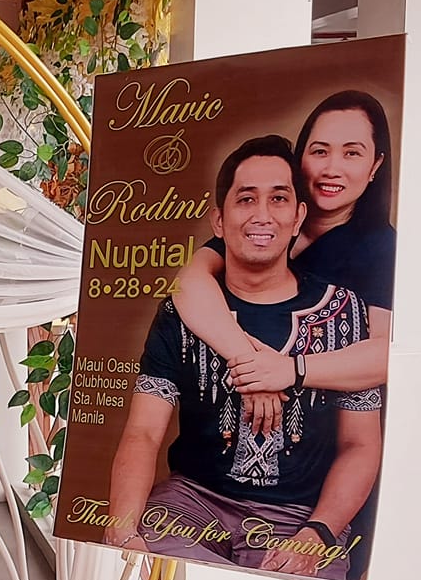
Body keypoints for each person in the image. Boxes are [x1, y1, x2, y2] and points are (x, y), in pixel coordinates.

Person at [106, 136, 383, 580]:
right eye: (246, 199)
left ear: (299, 217)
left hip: (299, 517)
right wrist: (122, 530)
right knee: (148, 574)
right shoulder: (183, 311)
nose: (262, 215)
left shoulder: (344, 312)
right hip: (192, 506)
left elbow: (361, 444)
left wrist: (318, 533)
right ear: (219, 220)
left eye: (279, 199)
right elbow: (143, 432)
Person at [170, 91, 396, 437]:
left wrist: (289, 370)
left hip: (329, 434)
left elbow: (385, 354)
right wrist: (252, 367)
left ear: (375, 166)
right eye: (319, 151)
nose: (331, 169)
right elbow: (189, 283)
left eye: (352, 153)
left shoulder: (380, 246)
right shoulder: (262, 226)